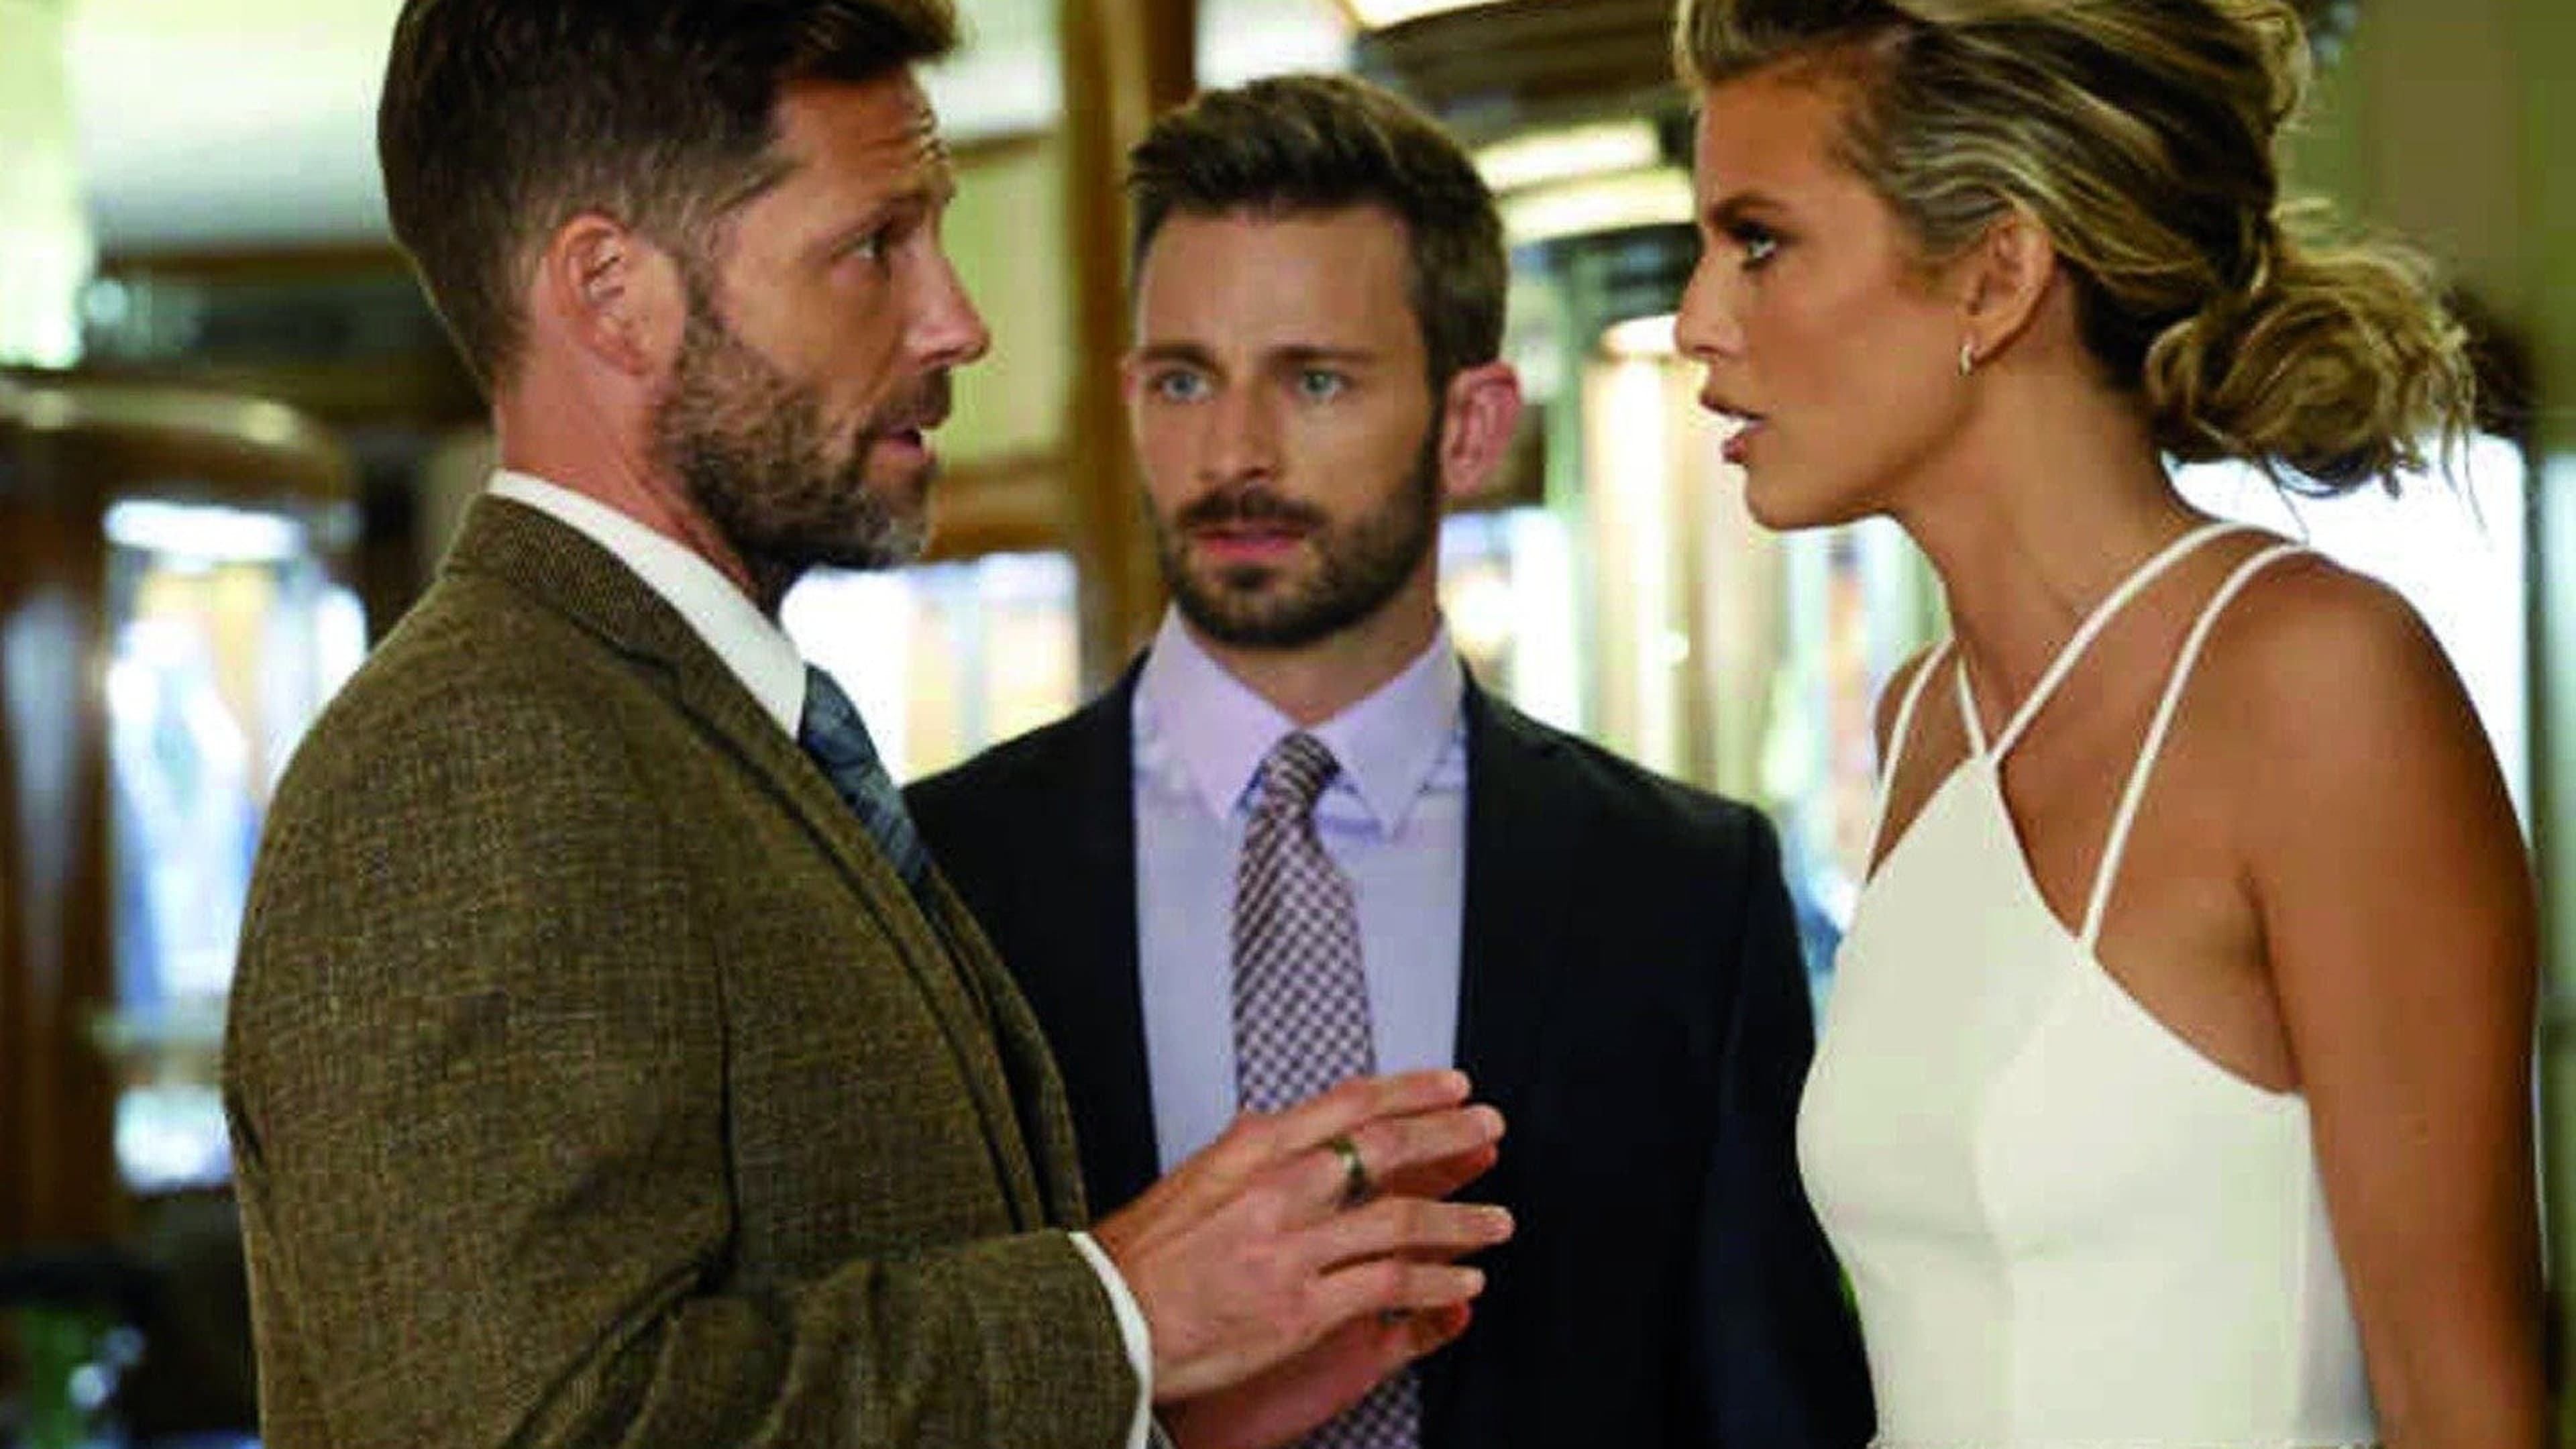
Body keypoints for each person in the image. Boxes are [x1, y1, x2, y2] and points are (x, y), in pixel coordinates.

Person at [219, 5, 1519, 1447]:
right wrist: (1119, 1317)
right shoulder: (473, 759)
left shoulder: (702, 729)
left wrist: (1149, 1412)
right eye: (873, 246)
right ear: (611, 293)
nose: (957, 318)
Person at [908, 73, 1872, 1449]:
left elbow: (1771, 1406)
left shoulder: (1681, 886)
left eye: (1314, 381)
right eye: (1184, 380)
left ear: (1471, 426)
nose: (1234, 453)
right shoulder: (942, 876)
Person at [1668, 0, 2549, 1444]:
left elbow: (2469, 1409)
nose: (1699, 320)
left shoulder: (2315, 688)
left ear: (1998, 275)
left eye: (1758, 243)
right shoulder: (1925, 719)